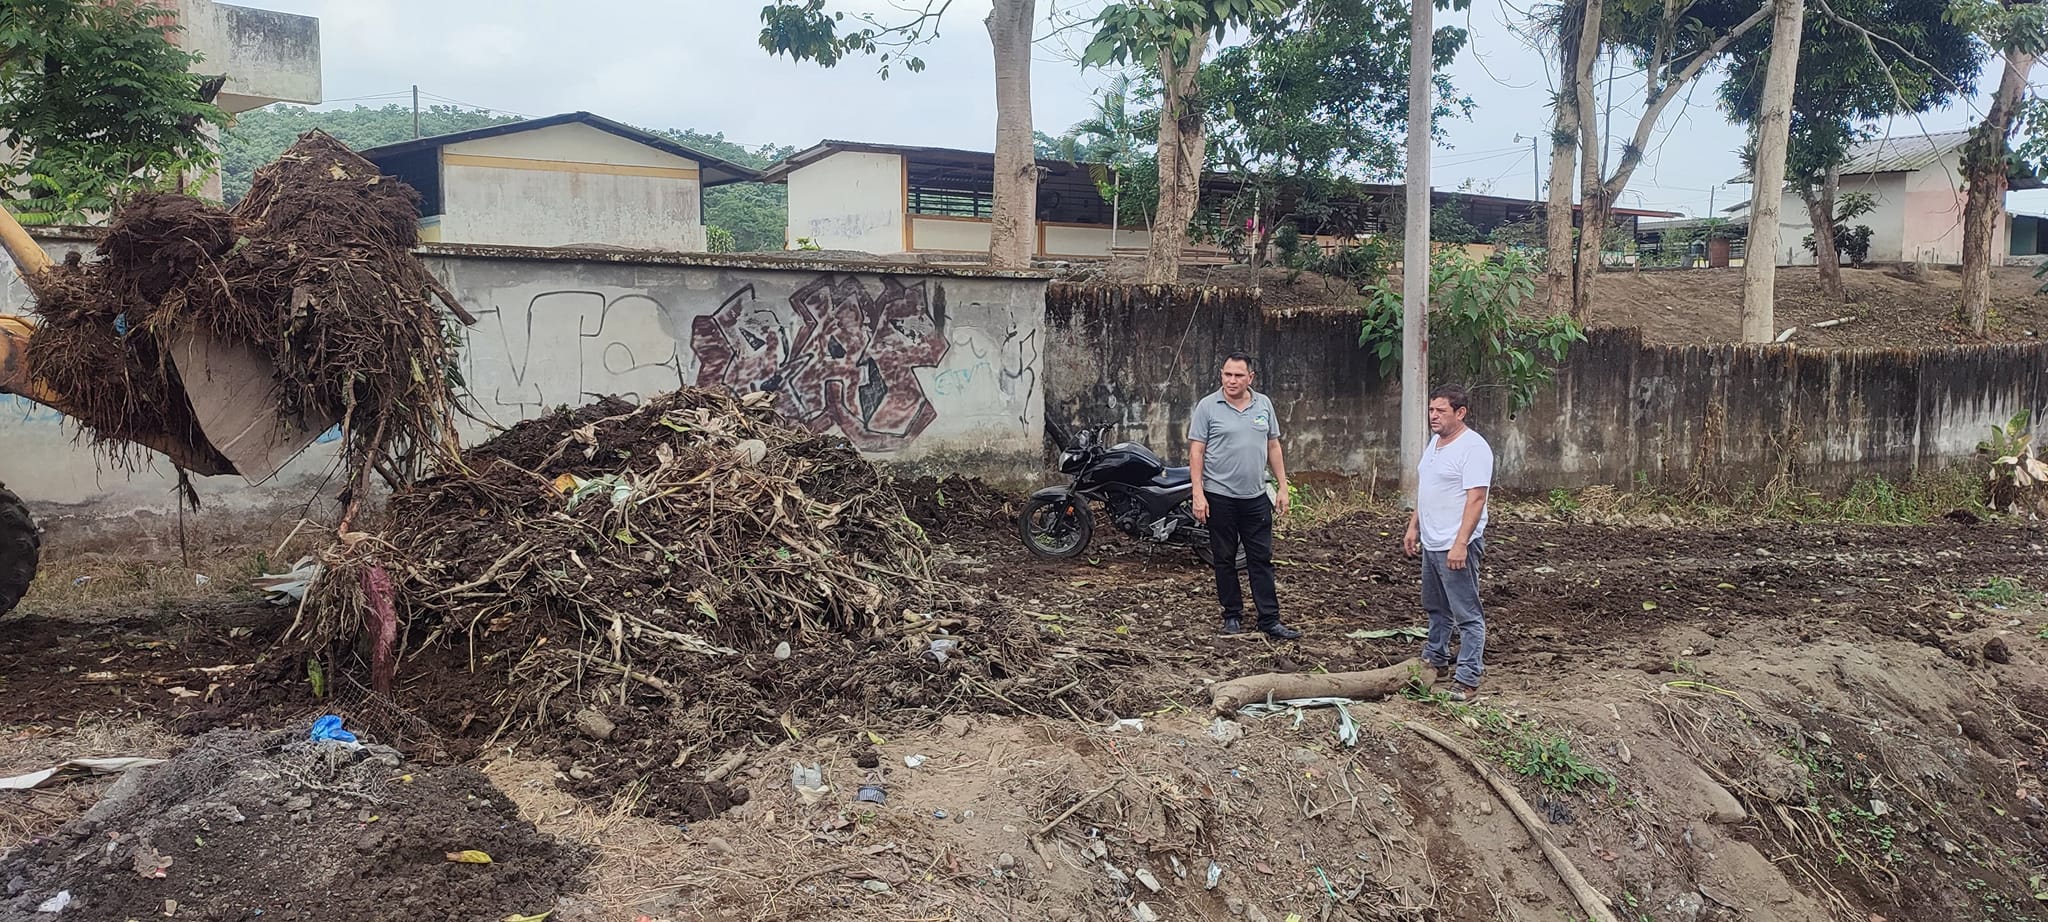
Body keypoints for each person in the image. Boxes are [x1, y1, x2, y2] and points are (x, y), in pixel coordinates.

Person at [1188, 352, 1300, 640]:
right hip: (1219, 496)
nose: (1232, 380)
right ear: (1221, 375)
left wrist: (1283, 487)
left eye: (1238, 375)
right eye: (1227, 374)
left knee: (1261, 559)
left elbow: (1273, 446)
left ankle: (1269, 619)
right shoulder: (1208, 407)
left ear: (1251, 377)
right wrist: (1198, 493)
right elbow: (1197, 451)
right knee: (1224, 558)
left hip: (1256, 497)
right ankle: (1232, 615)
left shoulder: (1263, 404)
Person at [1402, 384, 1492, 700]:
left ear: (1460, 412)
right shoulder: (1435, 443)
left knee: (1467, 613)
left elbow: (1477, 498)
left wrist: (1461, 543)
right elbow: (1427, 488)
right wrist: (1414, 526)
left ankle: (1467, 678)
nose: (1433, 416)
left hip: (1455, 543)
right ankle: (1435, 659)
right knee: (1436, 607)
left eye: (1441, 410)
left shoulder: (1473, 448)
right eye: (1431, 410)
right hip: (1432, 540)